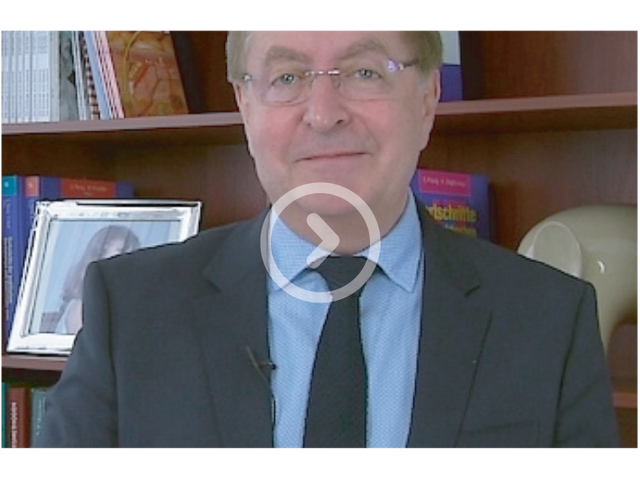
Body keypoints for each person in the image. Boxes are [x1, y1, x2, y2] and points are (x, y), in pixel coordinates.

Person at [35, 30, 619, 449]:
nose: (323, 113)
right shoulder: (132, 307)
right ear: (245, 105)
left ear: (427, 98)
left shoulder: (549, 318)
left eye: (364, 72)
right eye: (287, 78)